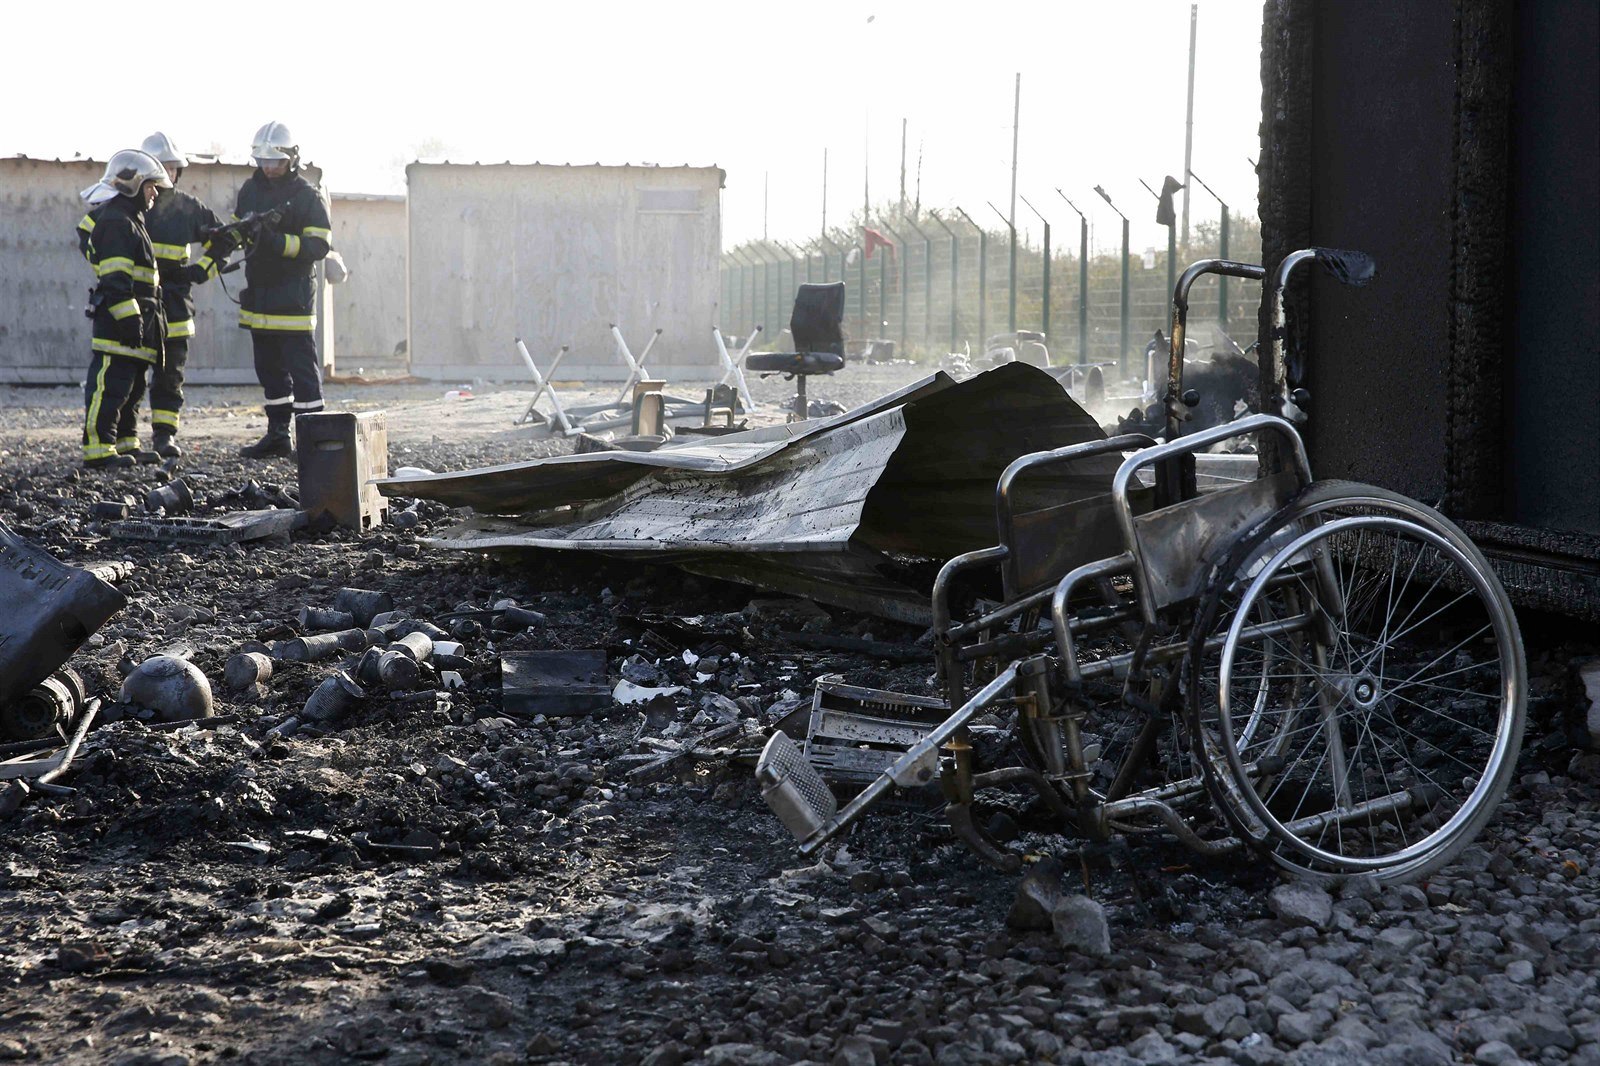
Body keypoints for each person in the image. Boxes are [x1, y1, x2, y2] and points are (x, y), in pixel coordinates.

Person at [78, 134, 235, 461]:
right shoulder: (120, 213)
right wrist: (112, 277)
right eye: (158, 171)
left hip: (170, 307)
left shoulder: (185, 208)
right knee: (118, 380)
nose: (165, 177)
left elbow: (226, 240)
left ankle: (157, 437)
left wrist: (198, 272)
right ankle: (104, 446)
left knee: (157, 379)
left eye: (172, 169)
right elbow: (93, 240)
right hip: (131, 305)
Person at [233, 120, 332, 459]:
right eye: (263, 160)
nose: (269, 167)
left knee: (302, 372)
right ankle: (278, 435)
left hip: (293, 300)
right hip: (259, 297)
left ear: (292, 158)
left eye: (276, 161)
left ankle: (313, 442)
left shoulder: (306, 196)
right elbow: (238, 229)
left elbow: (319, 245)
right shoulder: (250, 191)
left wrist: (277, 242)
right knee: (269, 370)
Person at [79, 149, 171, 470]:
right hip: (119, 327)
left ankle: (125, 442)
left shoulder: (131, 220)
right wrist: (129, 319)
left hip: (137, 325)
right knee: (110, 387)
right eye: (151, 186)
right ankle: (98, 449)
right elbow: (116, 280)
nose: (155, 193)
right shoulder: (117, 222)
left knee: (131, 389)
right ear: (134, 186)